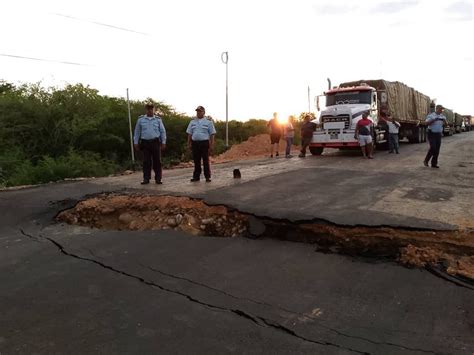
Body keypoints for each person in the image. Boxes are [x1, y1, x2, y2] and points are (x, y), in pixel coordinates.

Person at [133, 102, 167, 184]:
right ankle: (146, 178)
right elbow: (137, 132)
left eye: (151, 109)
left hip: (155, 142)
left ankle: (158, 178)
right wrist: (135, 142)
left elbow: (162, 131)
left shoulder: (158, 120)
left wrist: (163, 142)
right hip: (145, 143)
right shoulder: (140, 120)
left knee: (157, 161)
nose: (150, 110)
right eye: (148, 109)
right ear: (146, 110)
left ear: (154, 109)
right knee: (146, 162)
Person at [186, 105, 216, 182]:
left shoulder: (208, 121)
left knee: (205, 160)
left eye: (200, 111)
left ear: (204, 112)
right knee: (196, 161)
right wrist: (188, 143)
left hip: (204, 143)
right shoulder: (192, 121)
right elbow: (189, 133)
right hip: (195, 143)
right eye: (197, 111)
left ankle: (207, 176)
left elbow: (212, 134)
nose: (198, 113)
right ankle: (196, 177)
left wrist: (212, 144)